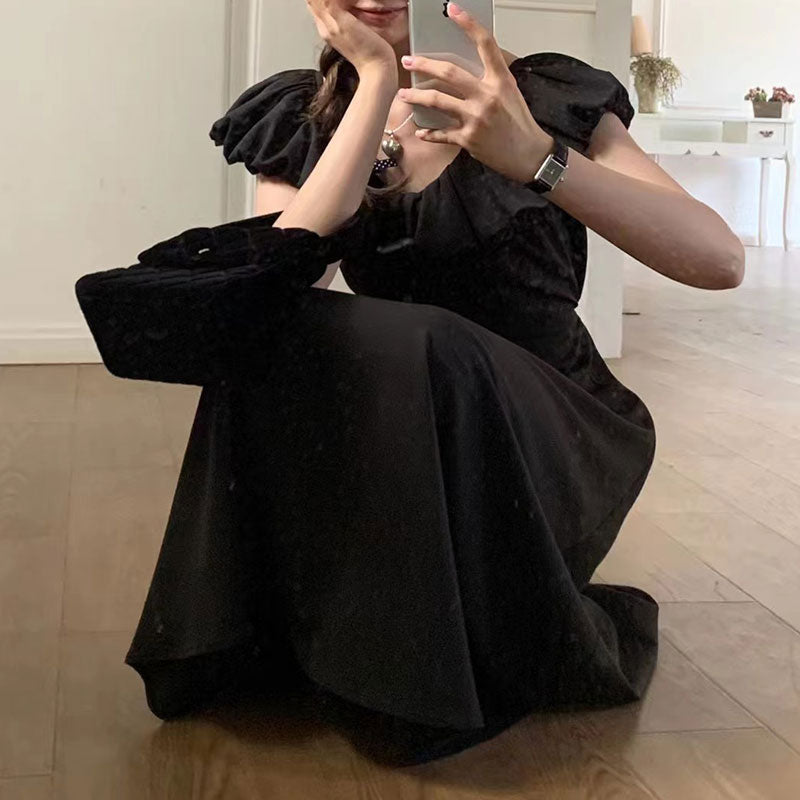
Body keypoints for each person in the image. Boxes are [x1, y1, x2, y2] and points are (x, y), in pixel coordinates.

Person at [125, 0, 746, 766]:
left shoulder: (546, 95)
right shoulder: (303, 111)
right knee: (278, 332)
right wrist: (374, 85)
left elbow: (719, 260)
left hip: (548, 431)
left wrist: (538, 158)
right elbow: (277, 286)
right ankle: (239, 628)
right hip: (405, 424)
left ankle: (418, 674)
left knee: (426, 339)